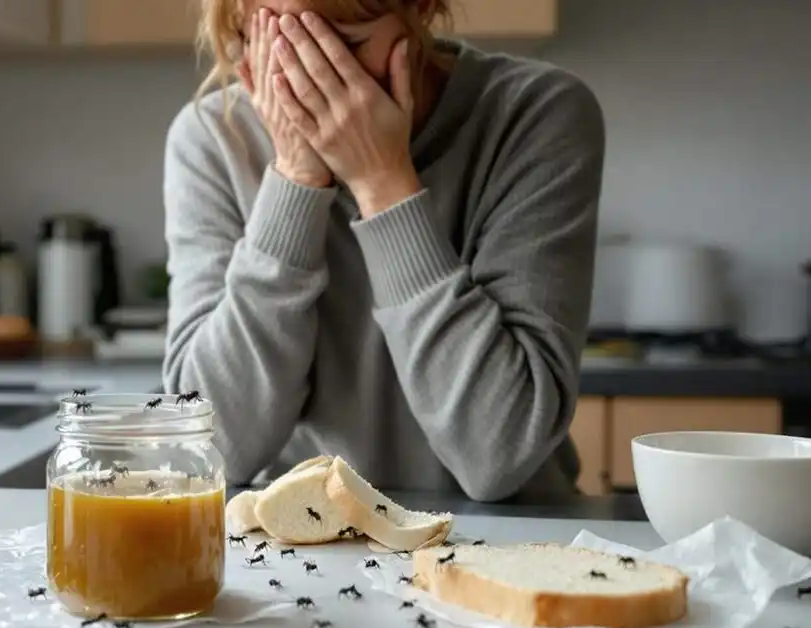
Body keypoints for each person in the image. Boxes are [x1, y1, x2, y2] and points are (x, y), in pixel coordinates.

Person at [162, 0, 605, 501]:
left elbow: (497, 455)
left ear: (421, 8)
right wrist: (296, 179)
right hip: (301, 540)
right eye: (275, 42)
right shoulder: (212, 139)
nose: (309, 81)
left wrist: (382, 181)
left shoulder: (534, 113)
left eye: (345, 46)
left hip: (513, 537)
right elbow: (213, 450)